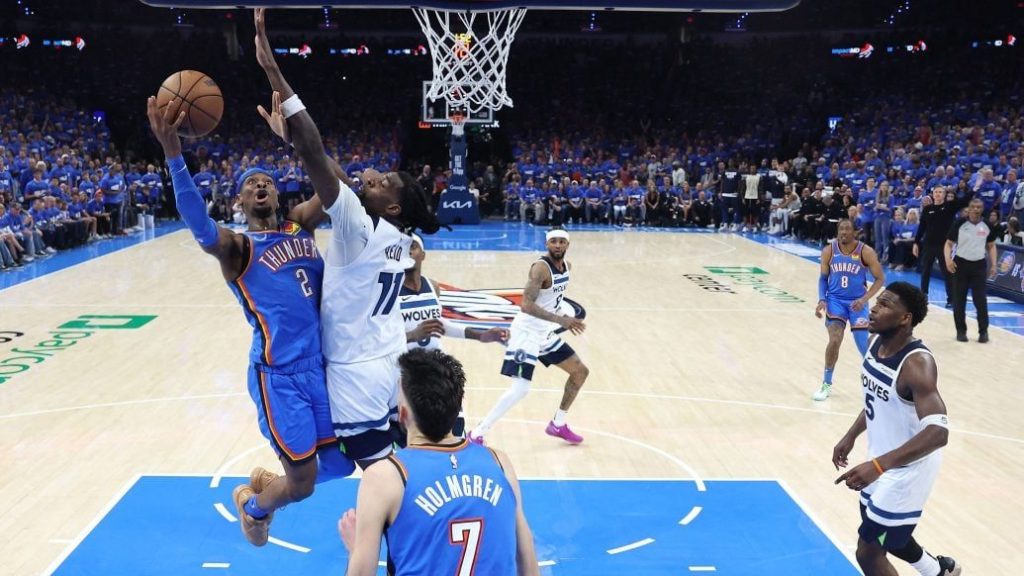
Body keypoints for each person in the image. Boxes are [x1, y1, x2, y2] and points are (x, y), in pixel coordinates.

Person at [146, 95, 354, 548]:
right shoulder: (238, 249)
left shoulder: (300, 224)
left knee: (341, 465)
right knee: (302, 486)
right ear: (239, 201)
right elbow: (199, 226)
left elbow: (340, 187)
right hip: (279, 377)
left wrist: (301, 145)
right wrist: (174, 153)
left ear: (277, 194)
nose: (260, 185)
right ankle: (254, 507)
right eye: (250, 184)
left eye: (267, 182)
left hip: (319, 367)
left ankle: (273, 482)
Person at [255, 8, 441, 468]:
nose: (371, 176)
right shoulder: (398, 236)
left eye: (383, 183)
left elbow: (317, 150)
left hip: (356, 373)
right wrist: (294, 144)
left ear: (391, 206)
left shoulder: (358, 225)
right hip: (390, 358)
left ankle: (273, 496)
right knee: (398, 463)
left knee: (380, 475)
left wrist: (272, 69)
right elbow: (330, 170)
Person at [338, 349, 539, 576]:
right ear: (457, 408)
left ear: (402, 414)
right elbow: (528, 558)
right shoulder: (499, 462)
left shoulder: (384, 475)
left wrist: (355, 550)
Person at [832, 282, 961, 576]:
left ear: (905, 318)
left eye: (885, 304)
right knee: (885, 533)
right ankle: (938, 571)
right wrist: (851, 435)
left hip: (906, 470)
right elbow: (877, 398)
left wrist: (878, 466)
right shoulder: (874, 344)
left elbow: (938, 433)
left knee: (868, 551)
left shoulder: (917, 364)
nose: (874, 309)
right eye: (877, 302)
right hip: (880, 458)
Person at [470, 228, 588, 444]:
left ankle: (558, 424)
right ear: (546, 244)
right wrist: (562, 321)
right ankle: (477, 433)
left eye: (562, 241)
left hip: (544, 333)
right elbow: (526, 305)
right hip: (526, 332)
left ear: (568, 245)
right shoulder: (540, 269)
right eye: (554, 241)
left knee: (580, 372)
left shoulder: (567, 267)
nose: (558, 245)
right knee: (520, 389)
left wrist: (566, 318)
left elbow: (552, 301)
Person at [399, 233, 509, 436]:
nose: (407, 251)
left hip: (436, 366)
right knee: (411, 434)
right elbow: (379, 337)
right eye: (402, 247)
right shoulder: (390, 291)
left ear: (423, 254)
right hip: (406, 371)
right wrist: (412, 335)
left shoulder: (432, 286)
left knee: (456, 427)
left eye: (412, 246)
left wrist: (481, 335)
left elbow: (440, 324)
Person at [813, 219, 886, 401]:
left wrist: (864, 299)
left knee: (863, 346)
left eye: (847, 229)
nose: (843, 232)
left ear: (855, 232)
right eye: (841, 229)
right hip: (835, 301)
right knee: (835, 339)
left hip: (857, 304)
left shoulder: (866, 252)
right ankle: (826, 383)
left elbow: (880, 279)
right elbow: (823, 279)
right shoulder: (829, 251)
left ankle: (878, 383)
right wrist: (822, 299)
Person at [944, 198, 998, 343]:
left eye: (978, 207)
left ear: (982, 209)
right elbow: (948, 244)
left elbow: (991, 246)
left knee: (980, 300)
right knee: (959, 300)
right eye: (973, 207)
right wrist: (948, 260)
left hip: (979, 265)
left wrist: (994, 264)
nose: (975, 209)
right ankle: (961, 331)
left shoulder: (987, 225)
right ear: (968, 208)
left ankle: (983, 331)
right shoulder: (960, 224)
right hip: (960, 264)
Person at [914, 186, 973, 308]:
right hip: (928, 244)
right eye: (936, 192)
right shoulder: (927, 209)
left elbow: (964, 201)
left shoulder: (949, 206)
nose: (937, 194)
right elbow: (921, 227)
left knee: (947, 272)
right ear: (933, 194)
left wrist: (974, 189)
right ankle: (923, 296)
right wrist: (916, 242)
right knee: (925, 271)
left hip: (944, 246)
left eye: (940, 192)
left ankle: (951, 299)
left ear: (944, 194)